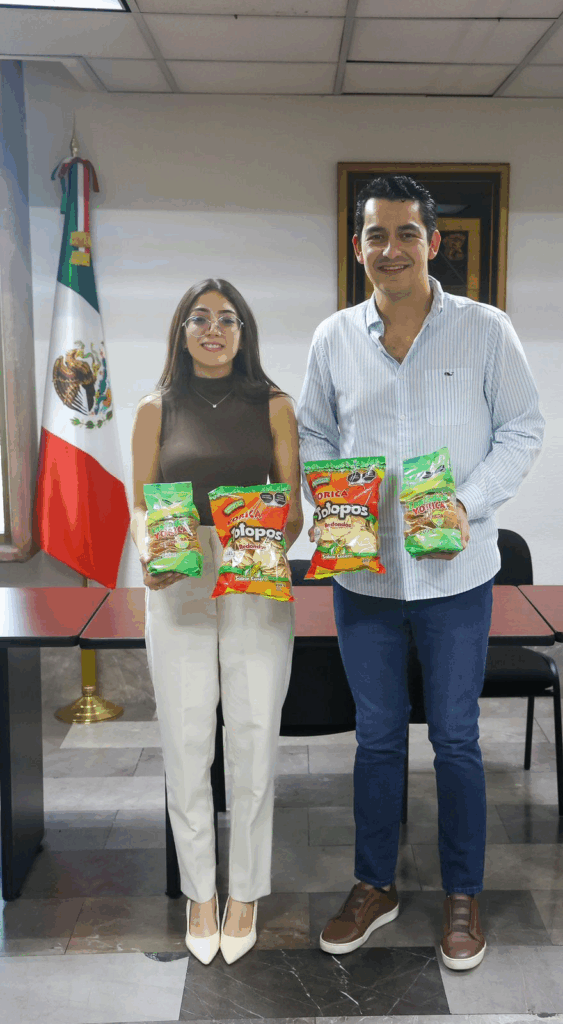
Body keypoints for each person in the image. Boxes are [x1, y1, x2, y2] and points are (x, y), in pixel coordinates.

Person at [297, 176, 544, 971]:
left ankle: (461, 895)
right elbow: (312, 434)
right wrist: (332, 494)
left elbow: (521, 428)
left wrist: (466, 504)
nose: (391, 249)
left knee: (456, 737)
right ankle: (374, 885)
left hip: (456, 577)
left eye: (406, 233)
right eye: (376, 235)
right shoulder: (333, 337)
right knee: (375, 738)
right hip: (364, 578)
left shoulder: (484, 329)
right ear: (357, 246)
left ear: (433, 243)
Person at [130, 278, 303, 966]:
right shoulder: (154, 408)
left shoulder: (275, 405)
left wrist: (270, 539)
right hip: (180, 575)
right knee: (186, 739)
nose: (213, 329)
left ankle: (245, 895)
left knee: (254, 737)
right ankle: (200, 894)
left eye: (227, 319)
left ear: (243, 332)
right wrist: (149, 551)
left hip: (253, 570)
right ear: (181, 330)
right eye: (199, 318)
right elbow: (141, 503)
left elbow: (292, 507)